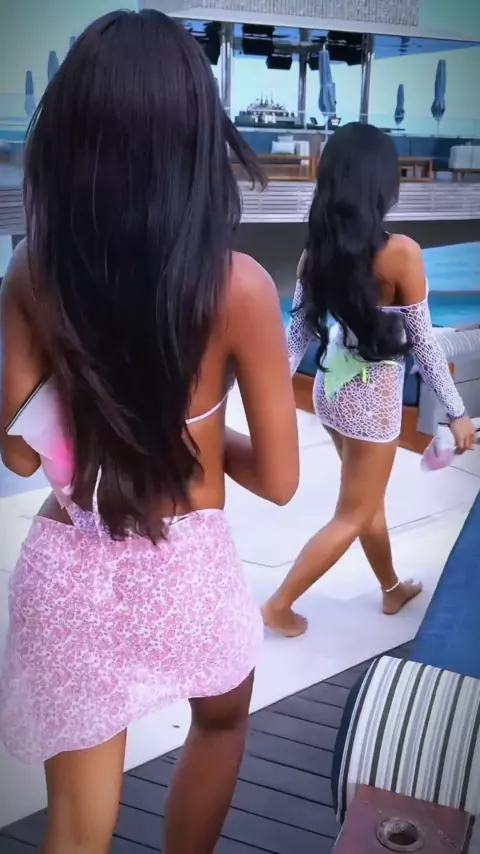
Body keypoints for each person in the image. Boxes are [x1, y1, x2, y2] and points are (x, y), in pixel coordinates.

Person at [0, 11, 299, 854]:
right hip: (186, 569)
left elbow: (18, 452)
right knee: (221, 718)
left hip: (69, 567)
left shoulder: (31, 272)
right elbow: (280, 481)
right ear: (197, 145)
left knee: (76, 823)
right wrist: (191, 436)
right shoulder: (239, 287)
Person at [262, 122, 476, 638]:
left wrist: (271, 394)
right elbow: (425, 344)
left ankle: (390, 588)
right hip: (374, 405)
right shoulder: (401, 252)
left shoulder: (315, 253)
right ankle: (279, 604)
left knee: (365, 499)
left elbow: (296, 333)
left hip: (330, 392)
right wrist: (458, 413)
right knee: (354, 511)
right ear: (380, 184)